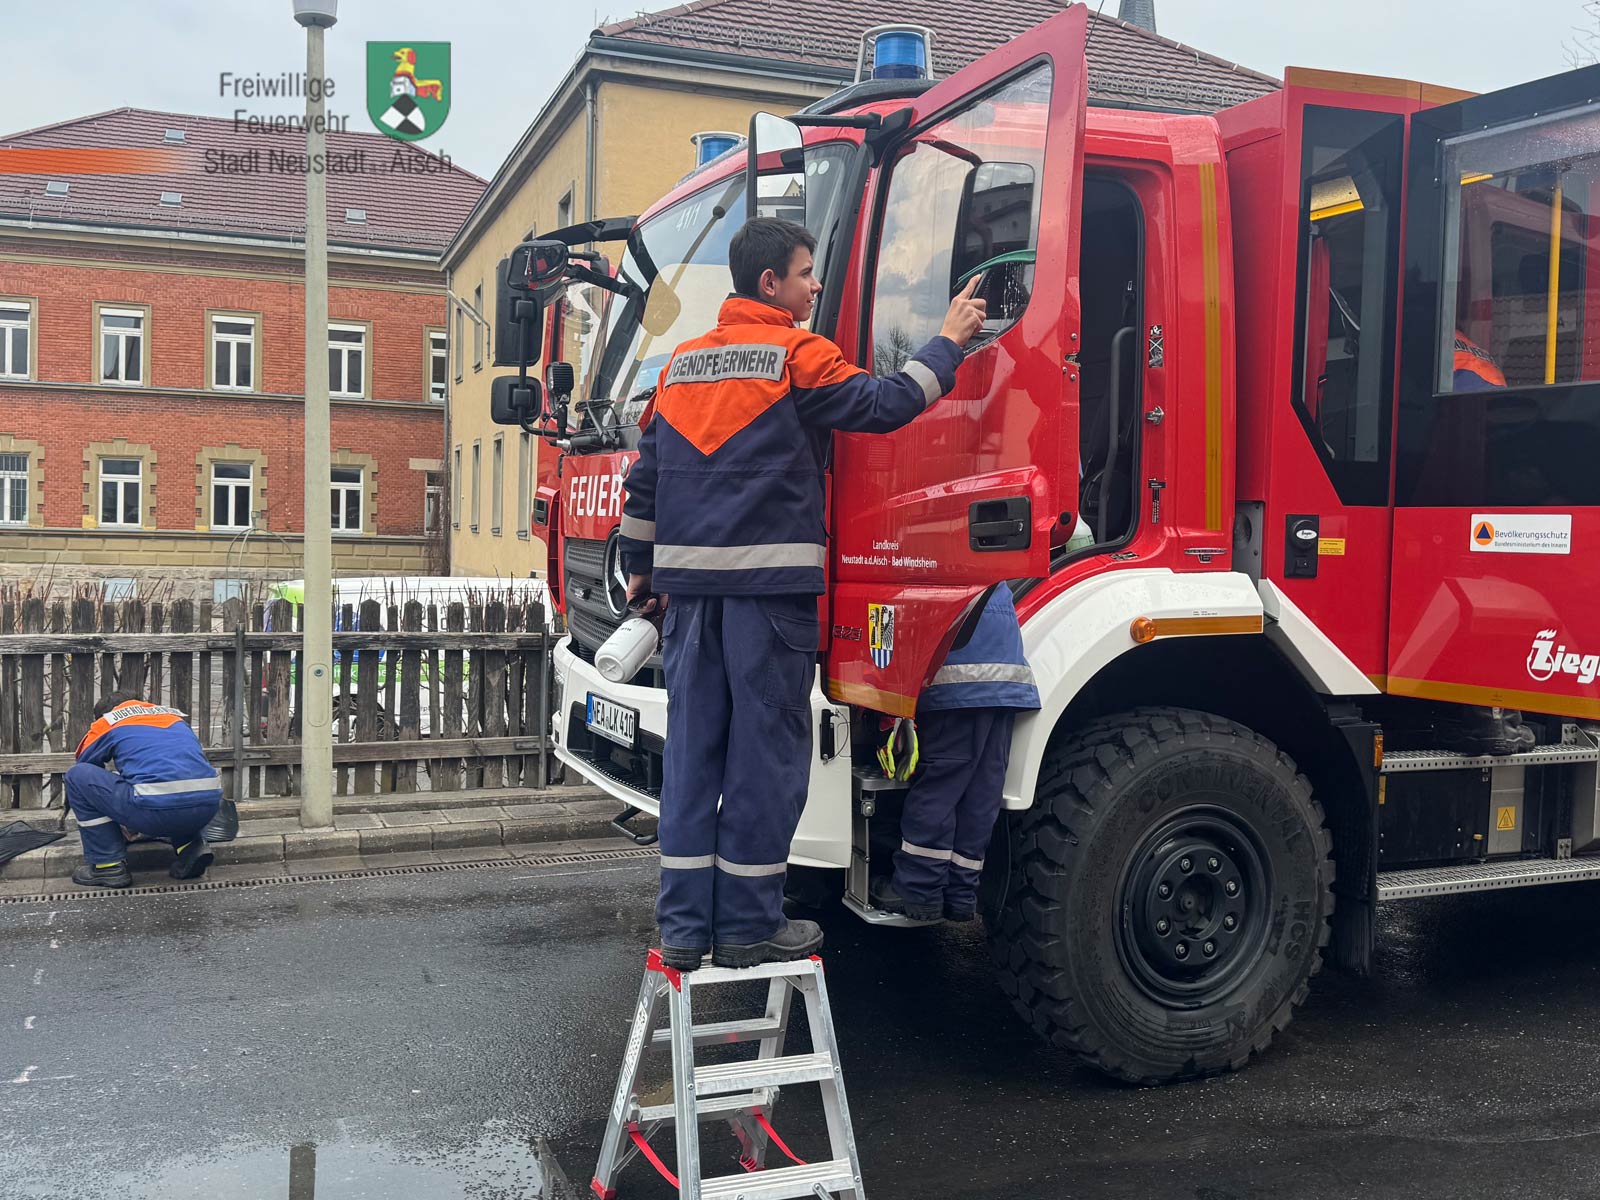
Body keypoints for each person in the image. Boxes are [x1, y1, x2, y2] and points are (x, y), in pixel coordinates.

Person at [620, 216, 988, 971]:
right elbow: (886, 404)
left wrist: (640, 571)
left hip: (688, 605)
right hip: (769, 603)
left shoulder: (681, 366)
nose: (816, 285)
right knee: (764, 762)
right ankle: (748, 925)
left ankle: (684, 928)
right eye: (806, 272)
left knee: (692, 758)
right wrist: (949, 341)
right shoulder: (797, 354)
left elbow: (645, 486)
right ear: (771, 284)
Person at [869, 587, 1039, 922]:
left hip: (957, 683)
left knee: (940, 789)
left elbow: (891, 609)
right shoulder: (989, 568)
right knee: (981, 794)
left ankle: (919, 891)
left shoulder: (928, 561)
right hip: (1006, 683)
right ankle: (960, 894)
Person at [66, 691, 223, 888]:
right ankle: (191, 848)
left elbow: (86, 762)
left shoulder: (109, 720)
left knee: (77, 776)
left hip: (156, 811)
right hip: (208, 808)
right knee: (174, 785)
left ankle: (107, 865)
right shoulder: (173, 718)